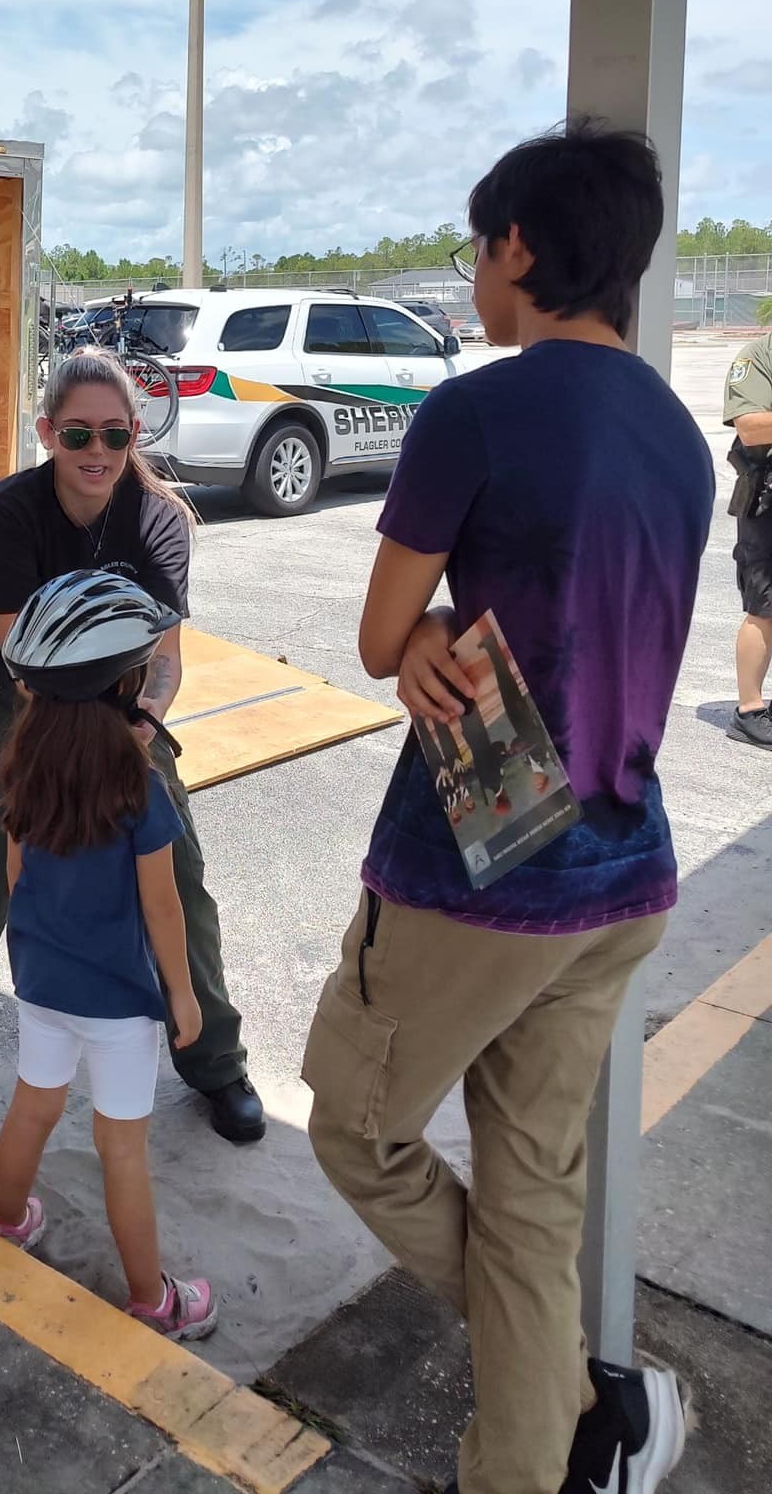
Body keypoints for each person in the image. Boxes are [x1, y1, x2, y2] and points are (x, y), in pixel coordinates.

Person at [302, 125, 713, 1494]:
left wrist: (423, 628)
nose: (472, 277)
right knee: (535, 1200)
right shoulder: (677, 433)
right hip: (626, 867)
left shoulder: (474, 410)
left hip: (485, 867)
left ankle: (559, 1385)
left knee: (355, 1125)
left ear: (520, 247)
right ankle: (560, 1447)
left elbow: (379, 637)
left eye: (478, 249)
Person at [0, 347, 264, 1162]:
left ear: (135, 433)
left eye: (114, 434)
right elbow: (27, 663)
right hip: (7, 699)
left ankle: (216, 1062)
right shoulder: (8, 512)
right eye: (77, 435)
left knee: (177, 879)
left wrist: (141, 729)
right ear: (47, 434)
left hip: (120, 710)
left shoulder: (159, 518)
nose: (96, 451)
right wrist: (77, 766)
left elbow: (166, 659)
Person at [0, 570, 216, 1341]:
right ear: (124, 686)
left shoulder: (23, 766)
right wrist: (183, 996)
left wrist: (36, 948)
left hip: (41, 981)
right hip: (118, 1002)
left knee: (33, 1106)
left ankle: (8, 1220)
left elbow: (16, 874)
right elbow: (163, 906)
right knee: (121, 1149)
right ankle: (153, 1300)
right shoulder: (139, 789)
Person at [722, 324, 772, 749]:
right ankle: (750, 711)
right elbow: (751, 426)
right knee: (765, 606)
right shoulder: (757, 356)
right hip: (767, 500)